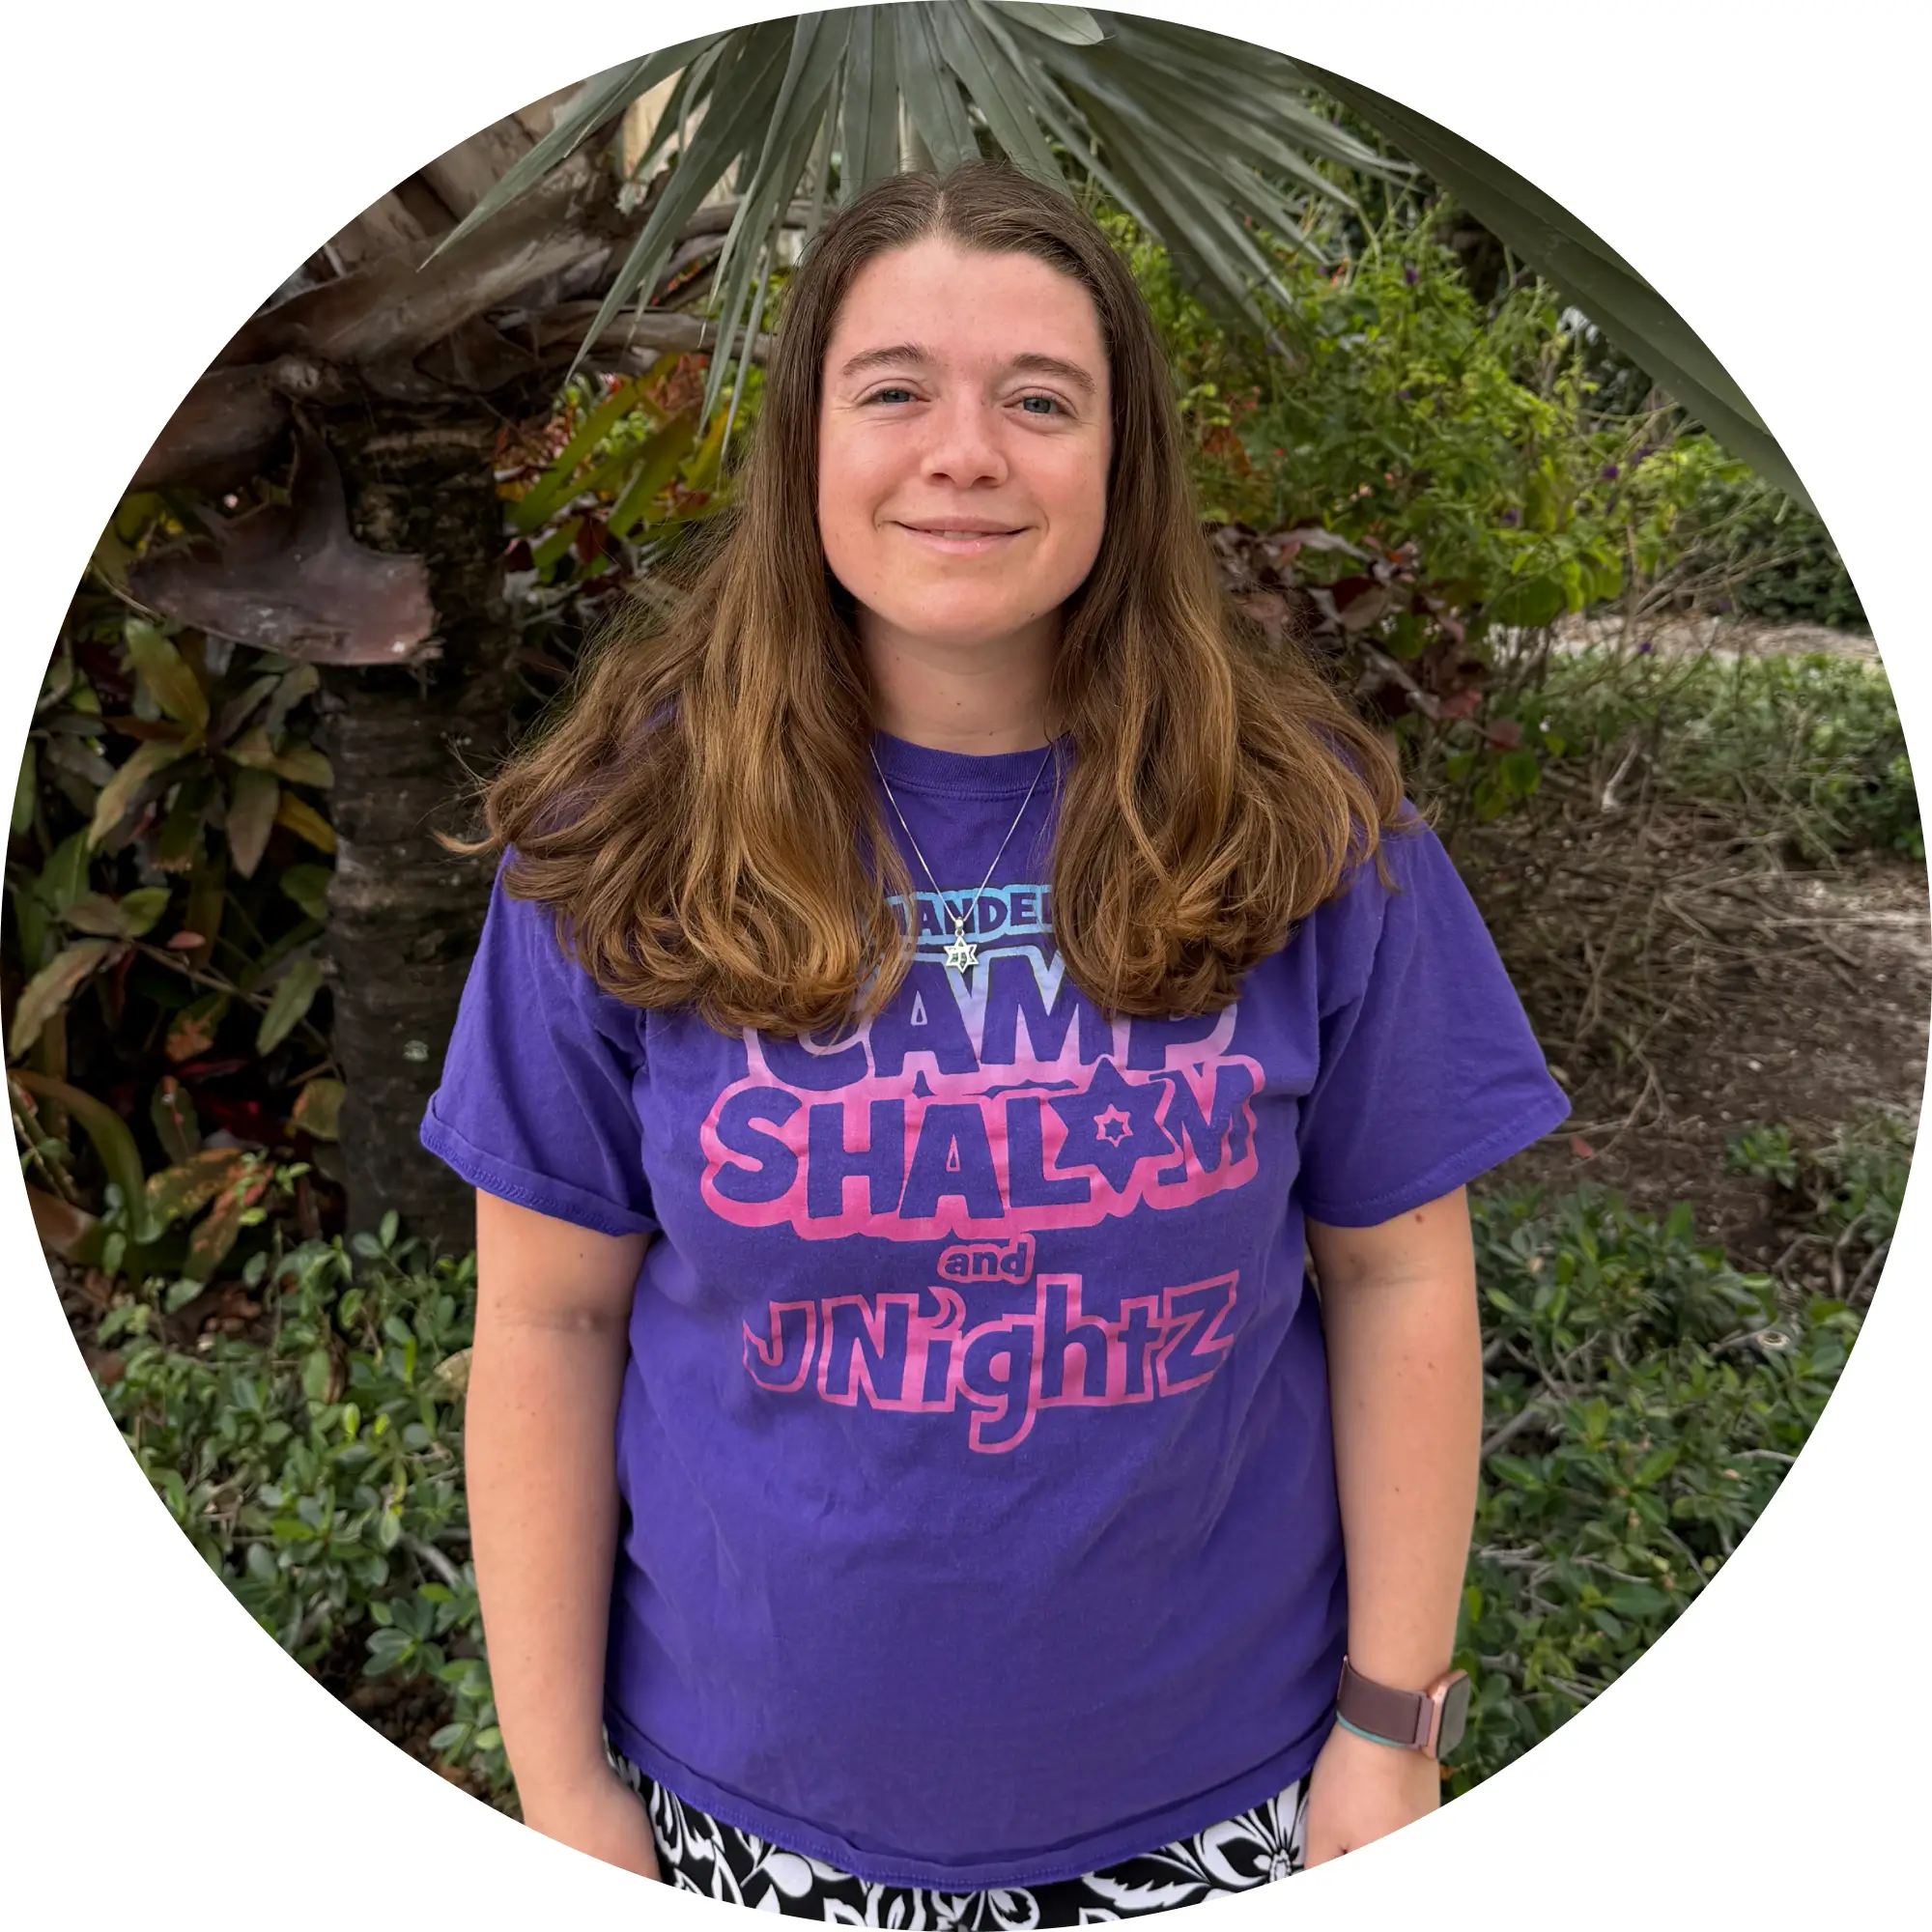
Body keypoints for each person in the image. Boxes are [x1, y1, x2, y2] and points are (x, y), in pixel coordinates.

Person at [420, 159, 1569, 1918]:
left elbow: (1402, 1284)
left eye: (1041, 399)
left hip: (1230, 1810)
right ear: (808, 439)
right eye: (896, 391)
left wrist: (1393, 1729)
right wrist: (558, 1785)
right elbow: (551, 1319)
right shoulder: (618, 839)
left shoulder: (1300, 828)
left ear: (1123, 461)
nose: (965, 452)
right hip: (732, 1820)